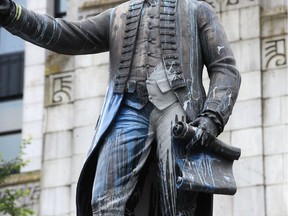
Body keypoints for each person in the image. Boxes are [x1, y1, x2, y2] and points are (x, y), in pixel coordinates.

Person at [0, 0, 241, 215]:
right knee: (104, 201)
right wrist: (14, 14)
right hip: (129, 109)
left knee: (178, 198)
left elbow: (224, 67)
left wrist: (212, 116)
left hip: (177, 110)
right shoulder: (119, 14)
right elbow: (67, 35)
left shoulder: (198, 10)